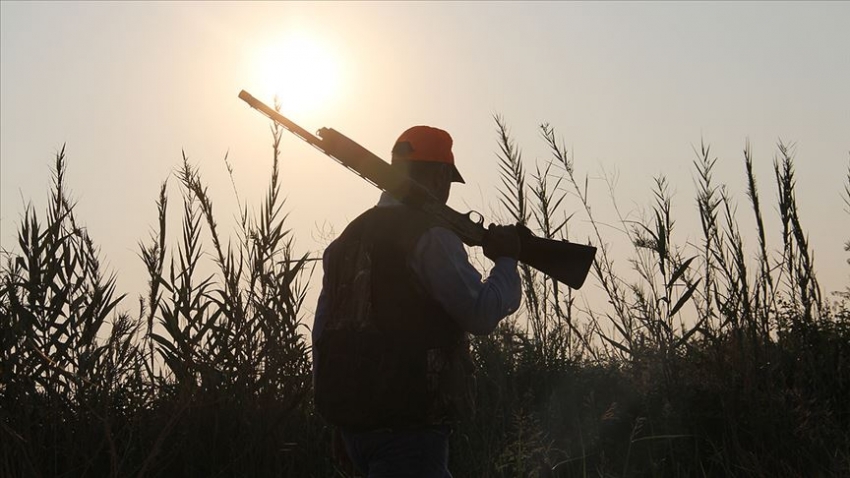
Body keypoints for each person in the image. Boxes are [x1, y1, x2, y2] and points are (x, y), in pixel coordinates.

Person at [312, 125, 522, 477]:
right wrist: (506, 260)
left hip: (356, 430)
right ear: (441, 176)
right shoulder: (430, 236)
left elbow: (325, 336)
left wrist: (340, 421)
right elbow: (481, 314)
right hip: (409, 428)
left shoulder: (345, 241)